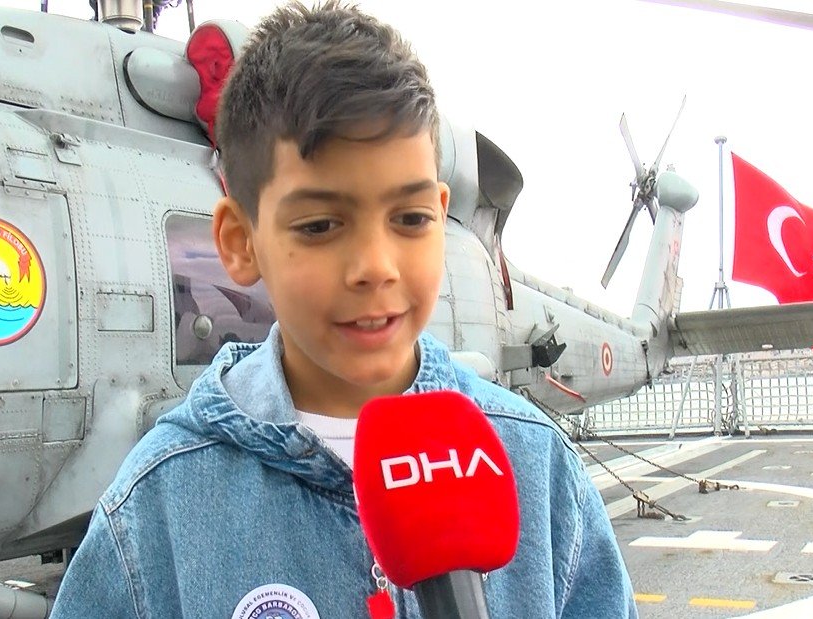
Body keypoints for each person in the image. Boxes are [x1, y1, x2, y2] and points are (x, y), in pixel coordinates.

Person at [52, 2, 638, 617]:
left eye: (411, 218)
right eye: (320, 225)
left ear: (442, 216)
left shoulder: (533, 462)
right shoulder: (159, 507)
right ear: (240, 242)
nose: (376, 266)